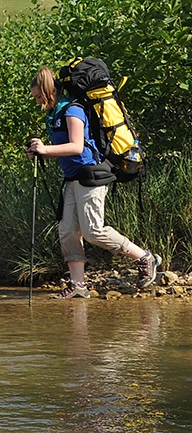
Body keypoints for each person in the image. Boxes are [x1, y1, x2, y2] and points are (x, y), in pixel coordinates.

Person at [26, 67, 160, 299]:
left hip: (91, 175)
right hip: (72, 178)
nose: (38, 102)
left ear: (50, 91)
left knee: (93, 231)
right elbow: (65, 150)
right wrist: (40, 153)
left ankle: (144, 257)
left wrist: (46, 149)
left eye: (39, 97)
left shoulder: (72, 109)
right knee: (68, 231)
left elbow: (77, 146)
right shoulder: (56, 113)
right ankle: (78, 285)